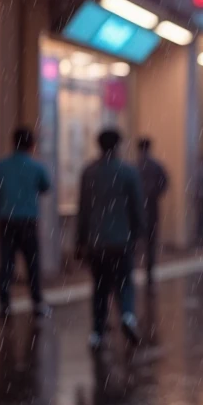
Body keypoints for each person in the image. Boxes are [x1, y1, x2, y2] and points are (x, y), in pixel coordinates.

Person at [76, 129, 144, 350]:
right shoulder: (128, 172)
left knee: (99, 287)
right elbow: (136, 207)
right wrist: (139, 234)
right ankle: (126, 315)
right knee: (124, 282)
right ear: (118, 146)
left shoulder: (89, 172)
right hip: (121, 239)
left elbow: (83, 209)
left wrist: (80, 241)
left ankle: (97, 332)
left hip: (97, 241)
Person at [0, 128, 52, 318]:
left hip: (6, 219)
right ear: (32, 145)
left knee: (7, 262)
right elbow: (45, 186)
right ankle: (37, 302)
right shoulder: (36, 167)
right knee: (32, 262)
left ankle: (5, 303)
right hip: (28, 220)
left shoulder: (1, 166)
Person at [136, 138, 168, 284]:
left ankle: (133, 269)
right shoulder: (156, 165)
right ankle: (149, 270)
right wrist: (154, 193)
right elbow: (164, 182)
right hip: (152, 206)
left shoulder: (134, 166)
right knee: (151, 240)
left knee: (135, 239)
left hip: (137, 208)